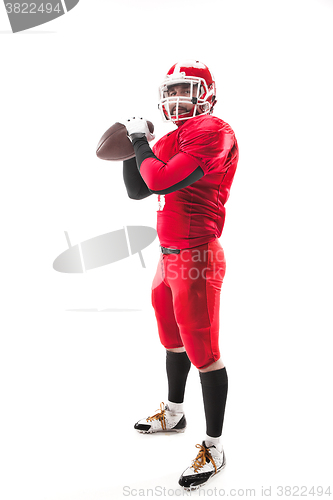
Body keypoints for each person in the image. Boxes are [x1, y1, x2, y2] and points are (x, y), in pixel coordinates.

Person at [122, 60, 239, 490]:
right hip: (168, 256)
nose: (175, 100)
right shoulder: (174, 137)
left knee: (204, 351)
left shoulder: (213, 130)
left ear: (205, 93)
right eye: (169, 93)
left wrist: (139, 141)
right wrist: (132, 146)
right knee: (173, 341)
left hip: (197, 256)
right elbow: (138, 186)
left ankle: (214, 445)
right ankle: (174, 413)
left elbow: (161, 180)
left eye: (183, 91)